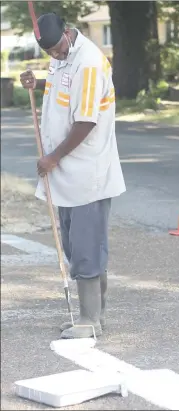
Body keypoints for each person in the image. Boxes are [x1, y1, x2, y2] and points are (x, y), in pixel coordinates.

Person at [20, 12, 126, 339]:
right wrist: (37, 85)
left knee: (85, 245)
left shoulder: (89, 62)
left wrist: (53, 156)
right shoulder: (62, 56)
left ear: (68, 32)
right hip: (66, 171)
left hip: (87, 171)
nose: (55, 55)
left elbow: (86, 121)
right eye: (49, 52)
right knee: (71, 241)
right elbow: (61, 92)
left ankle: (90, 320)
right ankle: (91, 317)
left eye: (57, 49)